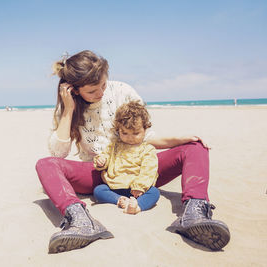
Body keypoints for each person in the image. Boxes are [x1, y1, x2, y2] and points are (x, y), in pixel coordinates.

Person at [35, 50, 230, 254]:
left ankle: (196, 214)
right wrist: (68, 110)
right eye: (92, 91)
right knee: (45, 164)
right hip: (99, 174)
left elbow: (145, 137)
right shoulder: (68, 107)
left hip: (140, 167)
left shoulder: (122, 91)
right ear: (74, 90)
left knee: (196, 146)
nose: (101, 93)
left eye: (103, 85)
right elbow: (58, 154)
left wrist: (181, 139)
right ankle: (80, 221)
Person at [93, 101, 160, 215]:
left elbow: (148, 171)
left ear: (145, 129)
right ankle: (119, 200)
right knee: (99, 190)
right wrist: (101, 161)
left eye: (135, 133)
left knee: (154, 193)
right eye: (124, 133)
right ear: (118, 129)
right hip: (114, 185)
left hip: (136, 189)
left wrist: (140, 186)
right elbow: (105, 155)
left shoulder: (147, 149)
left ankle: (137, 207)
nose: (130, 138)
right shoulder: (114, 146)